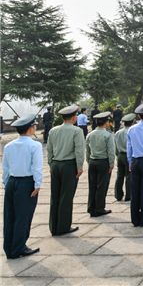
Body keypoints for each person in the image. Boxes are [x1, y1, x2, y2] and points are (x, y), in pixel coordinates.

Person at [3, 115, 43, 259]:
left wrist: (6, 183)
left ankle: (9, 248)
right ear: (30, 128)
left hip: (12, 182)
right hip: (27, 183)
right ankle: (19, 248)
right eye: (34, 126)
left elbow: (5, 168)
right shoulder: (35, 145)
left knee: (10, 216)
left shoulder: (9, 146)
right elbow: (37, 167)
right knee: (23, 217)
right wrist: (38, 184)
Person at [47, 105, 85, 236]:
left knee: (55, 195)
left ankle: (54, 226)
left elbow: (49, 149)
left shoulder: (53, 130)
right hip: (69, 166)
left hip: (56, 165)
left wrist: (50, 164)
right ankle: (63, 227)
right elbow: (79, 150)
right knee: (66, 197)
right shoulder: (77, 131)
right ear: (74, 117)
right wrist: (80, 167)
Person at [85, 111, 115, 217]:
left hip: (93, 162)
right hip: (103, 162)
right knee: (102, 186)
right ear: (106, 122)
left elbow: (87, 150)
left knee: (92, 185)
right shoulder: (108, 135)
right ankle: (99, 208)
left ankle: (91, 207)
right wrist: (111, 164)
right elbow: (111, 151)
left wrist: (89, 161)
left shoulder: (90, 134)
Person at [114, 113, 135, 202]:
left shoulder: (118, 132)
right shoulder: (132, 132)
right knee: (129, 176)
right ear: (132, 122)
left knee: (120, 176)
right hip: (129, 155)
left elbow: (115, 146)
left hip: (120, 155)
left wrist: (117, 155)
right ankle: (128, 195)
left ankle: (118, 195)